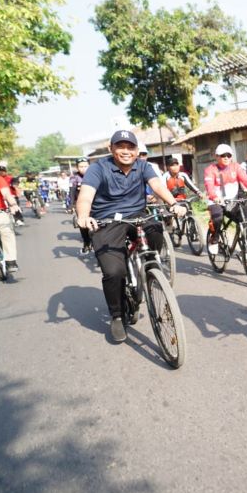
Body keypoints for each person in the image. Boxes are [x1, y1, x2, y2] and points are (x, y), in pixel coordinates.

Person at [76, 130, 186, 343]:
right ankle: (117, 315)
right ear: (111, 149)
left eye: (130, 147)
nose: (126, 151)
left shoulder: (143, 166)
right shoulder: (98, 168)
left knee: (156, 231)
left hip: (137, 216)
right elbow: (86, 196)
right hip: (107, 220)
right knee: (114, 272)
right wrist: (83, 216)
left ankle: (147, 268)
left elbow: (157, 185)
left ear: (137, 151)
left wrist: (173, 204)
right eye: (120, 147)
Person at [203, 144, 247, 254]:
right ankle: (214, 239)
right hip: (216, 201)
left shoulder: (236, 166)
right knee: (217, 219)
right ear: (216, 156)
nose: (226, 158)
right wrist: (215, 197)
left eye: (228, 155)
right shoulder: (210, 170)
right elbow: (209, 187)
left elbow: (246, 181)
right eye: (222, 155)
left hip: (233, 201)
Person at [69, 158, 93, 254]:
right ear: (77, 168)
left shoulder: (95, 175)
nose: (84, 168)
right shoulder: (74, 178)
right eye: (81, 166)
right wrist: (71, 205)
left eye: (86, 166)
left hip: (96, 203)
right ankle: (86, 243)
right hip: (81, 204)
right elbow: (72, 192)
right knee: (83, 225)